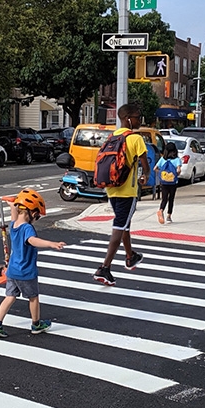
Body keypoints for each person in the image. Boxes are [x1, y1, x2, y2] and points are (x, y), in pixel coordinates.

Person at [0, 190, 65, 338]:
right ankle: (36, 324)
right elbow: (32, 241)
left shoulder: (14, 225)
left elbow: (14, 215)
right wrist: (51, 244)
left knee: (10, 297)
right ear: (30, 212)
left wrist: (12, 206)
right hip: (26, 271)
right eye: (36, 214)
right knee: (33, 297)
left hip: (12, 271)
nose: (37, 217)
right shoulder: (27, 228)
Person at [92, 103, 150, 286]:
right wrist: (145, 176)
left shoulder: (111, 137)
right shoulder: (135, 138)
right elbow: (145, 164)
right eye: (137, 117)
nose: (139, 120)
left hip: (111, 188)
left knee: (124, 223)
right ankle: (105, 267)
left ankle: (130, 256)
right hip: (127, 190)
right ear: (128, 119)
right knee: (119, 226)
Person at [154, 141, 182, 224]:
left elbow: (155, 168)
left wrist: (161, 173)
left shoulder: (162, 159)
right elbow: (178, 170)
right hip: (173, 182)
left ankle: (161, 210)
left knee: (164, 198)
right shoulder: (177, 160)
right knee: (171, 198)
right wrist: (176, 173)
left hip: (164, 182)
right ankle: (169, 216)